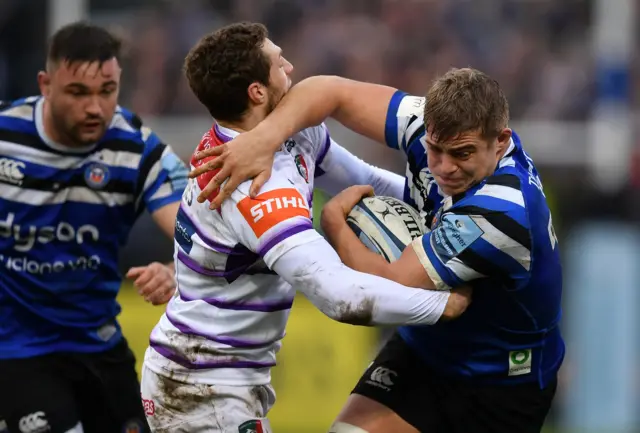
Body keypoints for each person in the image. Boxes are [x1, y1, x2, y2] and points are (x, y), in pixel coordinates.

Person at [191, 68, 564, 433]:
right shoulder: (423, 121)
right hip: (423, 356)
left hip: (501, 386)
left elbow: (394, 282)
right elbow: (329, 91)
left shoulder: (502, 210)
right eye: (435, 151)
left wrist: (335, 222)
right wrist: (264, 139)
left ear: (500, 141)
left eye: (462, 154)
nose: (444, 168)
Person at [140, 22, 472, 433]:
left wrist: (451, 212)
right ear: (257, 92)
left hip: (223, 376)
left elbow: (364, 180)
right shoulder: (253, 192)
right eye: (280, 64)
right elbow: (339, 295)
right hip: (200, 385)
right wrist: (445, 306)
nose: (292, 68)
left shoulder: (289, 134)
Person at [0, 22, 187, 433]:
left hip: (98, 345)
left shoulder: (136, 147)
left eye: (107, 91)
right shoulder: (5, 136)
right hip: (15, 350)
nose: (95, 108)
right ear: (45, 85)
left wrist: (178, 271)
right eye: (78, 92)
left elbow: (199, 234)